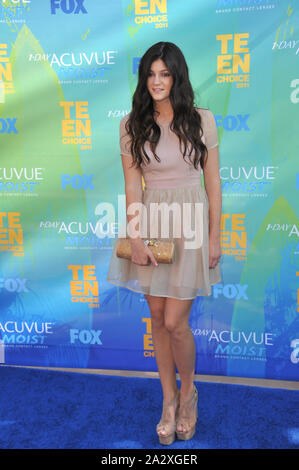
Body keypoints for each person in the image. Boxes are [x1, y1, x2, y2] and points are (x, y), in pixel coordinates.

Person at [106, 41, 222, 445]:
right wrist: (135, 238)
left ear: (177, 76)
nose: (157, 81)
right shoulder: (131, 125)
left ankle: (189, 394)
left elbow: (213, 185)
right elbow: (132, 188)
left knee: (176, 322)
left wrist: (215, 237)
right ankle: (168, 401)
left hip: (190, 225)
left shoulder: (201, 120)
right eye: (151, 74)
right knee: (157, 319)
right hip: (152, 224)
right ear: (144, 79)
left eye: (165, 73)